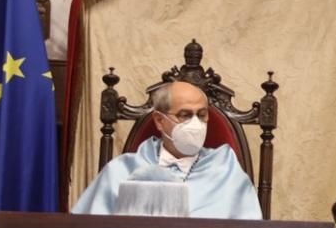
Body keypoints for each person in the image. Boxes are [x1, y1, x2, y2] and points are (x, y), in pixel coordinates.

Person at [72, 80, 262, 219]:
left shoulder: (227, 171)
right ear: (159, 121)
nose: (195, 124)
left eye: (202, 115)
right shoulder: (121, 171)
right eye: (185, 115)